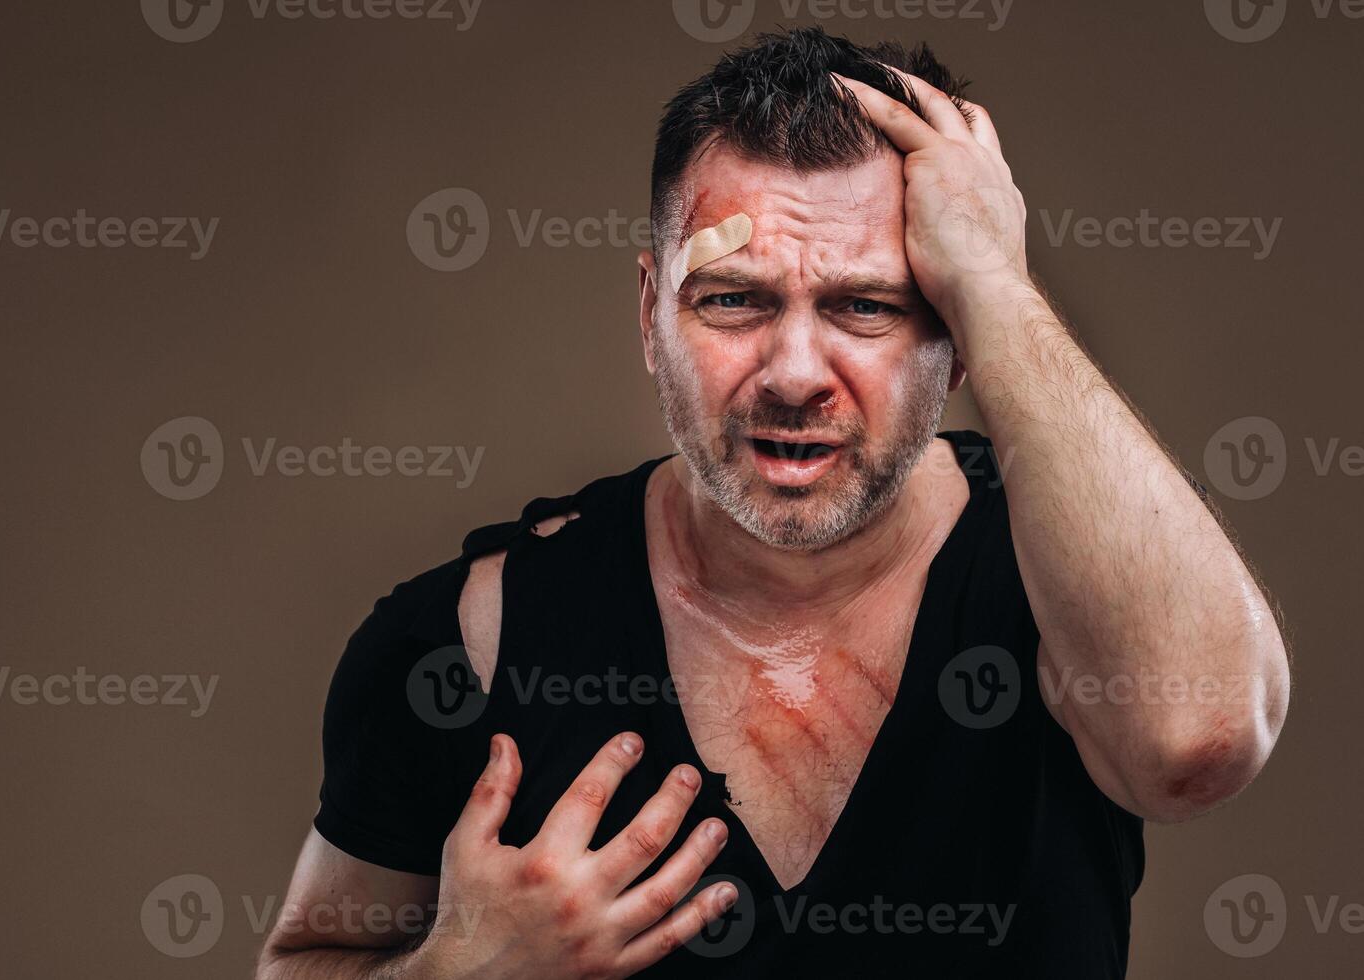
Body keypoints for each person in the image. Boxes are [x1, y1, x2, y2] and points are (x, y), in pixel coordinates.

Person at [256, 27, 1289, 978]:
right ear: (651, 317)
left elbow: (1196, 743)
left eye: (865, 305)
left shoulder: (1067, 556)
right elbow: (302, 960)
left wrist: (997, 281)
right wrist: (457, 970)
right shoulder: (464, 638)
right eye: (734, 299)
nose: (794, 370)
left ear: (958, 335)